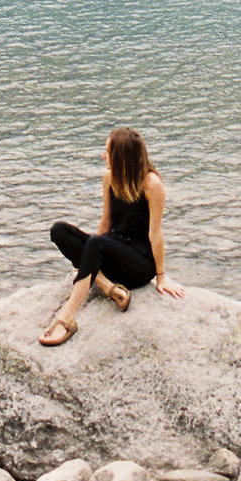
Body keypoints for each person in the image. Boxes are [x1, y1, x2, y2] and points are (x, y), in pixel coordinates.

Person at [40, 125, 184, 346]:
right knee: (59, 230)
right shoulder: (109, 178)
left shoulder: (152, 184)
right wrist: (90, 254)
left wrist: (161, 277)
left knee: (97, 243)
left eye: (107, 152)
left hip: (139, 264)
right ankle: (108, 287)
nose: (102, 156)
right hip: (112, 249)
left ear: (122, 157)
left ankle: (67, 317)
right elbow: (106, 221)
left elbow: (155, 233)